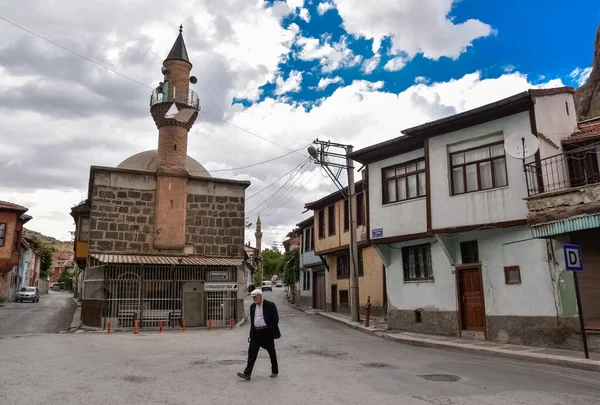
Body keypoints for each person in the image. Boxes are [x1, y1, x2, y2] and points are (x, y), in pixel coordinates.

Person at [237, 288, 280, 380]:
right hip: (256, 333)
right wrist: (251, 334)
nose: (254, 299)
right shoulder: (252, 306)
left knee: (271, 352)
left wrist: (270, 331)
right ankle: (247, 373)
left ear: (260, 296)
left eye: (255, 297)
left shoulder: (270, 305)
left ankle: (275, 371)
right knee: (252, 352)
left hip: (266, 332)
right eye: (253, 298)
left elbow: (275, 320)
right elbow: (253, 322)